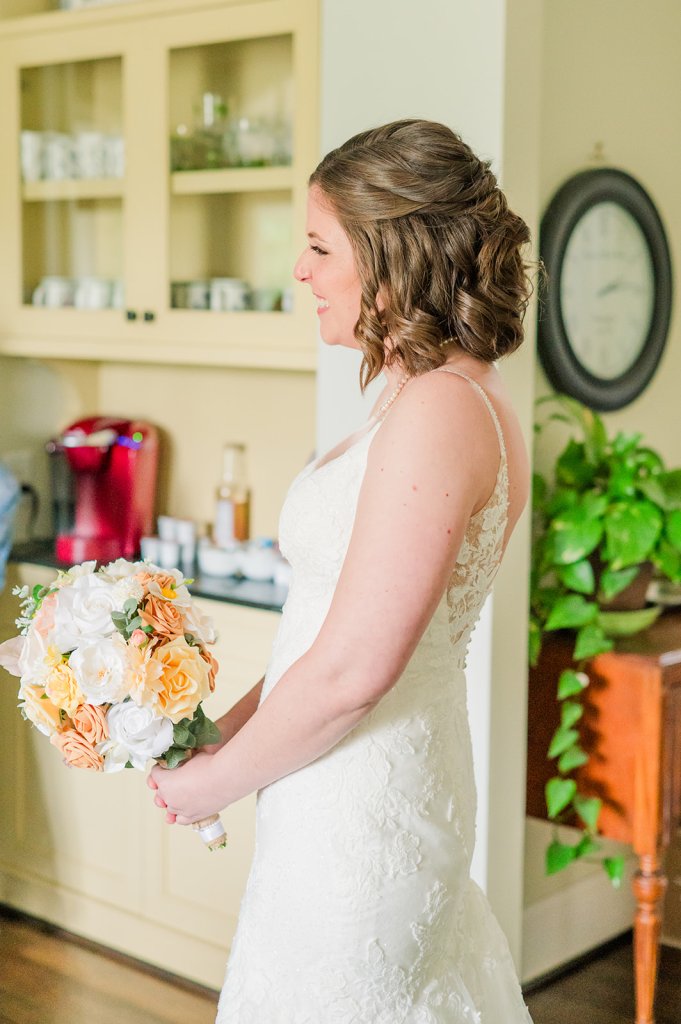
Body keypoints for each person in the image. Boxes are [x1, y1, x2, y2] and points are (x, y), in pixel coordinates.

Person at [148, 118, 534, 1022]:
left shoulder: (442, 409)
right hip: (339, 791)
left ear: (390, 255)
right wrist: (220, 731)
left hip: (364, 814)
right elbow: (321, 633)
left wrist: (214, 782)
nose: (301, 270)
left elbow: (357, 667)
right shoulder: (424, 395)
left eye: (320, 246)